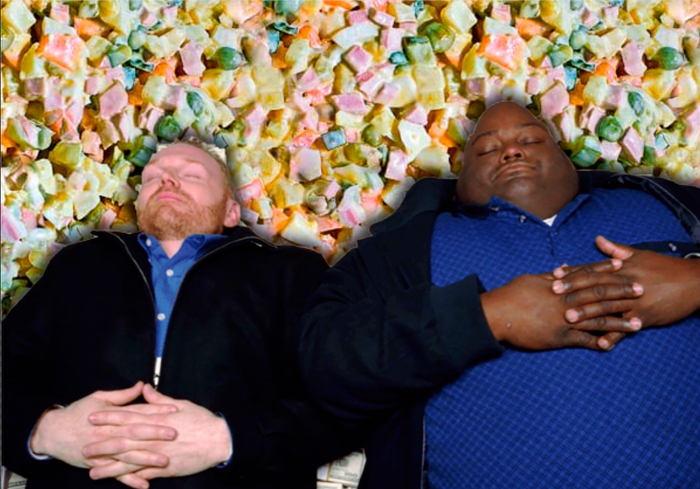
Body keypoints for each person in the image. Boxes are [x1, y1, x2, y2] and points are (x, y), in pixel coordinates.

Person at [296, 102, 700, 488]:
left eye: (532, 140)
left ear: (570, 162)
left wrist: (694, 278)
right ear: (459, 184)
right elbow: (323, 363)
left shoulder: (668, 206)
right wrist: (485, 316)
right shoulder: (401, 250)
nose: (510, 151)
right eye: (486, 149)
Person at [2, 138, 361, 489]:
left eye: (191, 174)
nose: (166, 179)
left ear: (231, 211)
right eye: (151, 177)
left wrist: (230, 439)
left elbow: (346, 396)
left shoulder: (292, 273)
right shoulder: (78, 265)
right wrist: (44, 431)